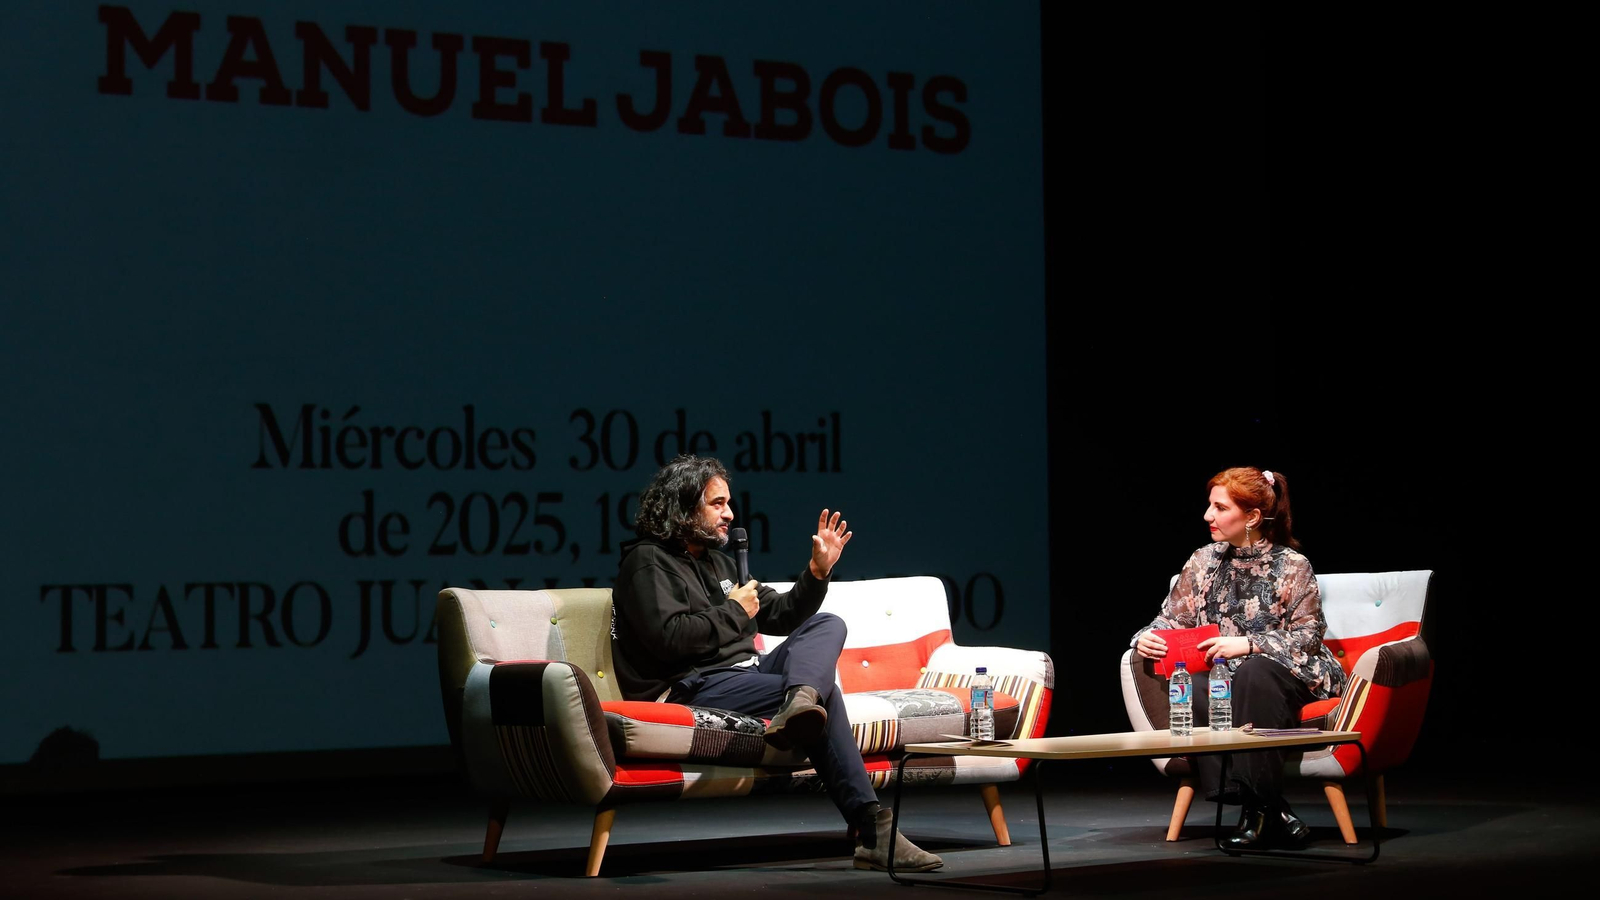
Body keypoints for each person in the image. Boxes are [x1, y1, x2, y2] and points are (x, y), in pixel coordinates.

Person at [611, 454, 943, 872]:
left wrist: (817, 572)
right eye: (717, 504)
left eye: (728, 503)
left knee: (827, 624)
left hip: (742, 675)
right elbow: (669, 640)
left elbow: (783, 615)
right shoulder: (646, 562)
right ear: (683, 506)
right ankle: (873, 831)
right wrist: (735, 611)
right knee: (825, 695)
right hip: (689, 684)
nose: (729, 514)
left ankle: (799, 700)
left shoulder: (717, 562)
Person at [1130, 466, 1347, 850]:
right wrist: (1145, 637)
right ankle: (1266, 807)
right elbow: (1169, 619)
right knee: (1198, 684)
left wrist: (1248, 644)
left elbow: (1309, 636)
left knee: (1254, 673)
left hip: (1289, 671)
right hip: (1227, 675)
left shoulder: (1292, 565)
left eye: (1220, 507)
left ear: (1251, 517)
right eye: (1209, 505)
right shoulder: (1203, 561)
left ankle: (1259, 812)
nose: (1207, 515)